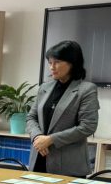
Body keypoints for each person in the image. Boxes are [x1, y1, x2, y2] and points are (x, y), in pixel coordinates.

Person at [26, 40, 99, 177]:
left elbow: (88, 126)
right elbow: (31, 117)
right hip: (38, 160)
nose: (52, 67)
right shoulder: (44, 87)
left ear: (73, 63)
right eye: (50, 62)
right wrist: (37, 136)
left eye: (57, 62)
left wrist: (50, 139)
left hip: (68, 166)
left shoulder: (86, 90)